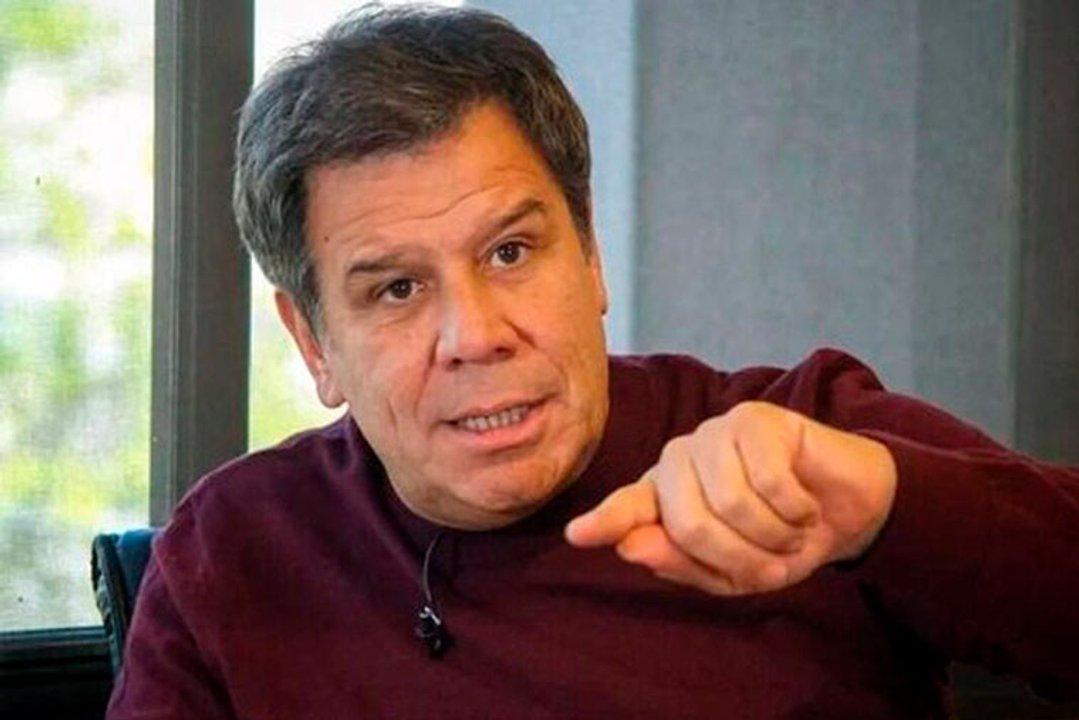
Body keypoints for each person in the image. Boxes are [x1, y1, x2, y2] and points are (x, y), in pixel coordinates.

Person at [107, 5, 1079, 718]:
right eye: (396, 289)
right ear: (314, 343)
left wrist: (883, 508)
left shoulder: (801, 440)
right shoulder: (235, 551)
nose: (475, 333)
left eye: (509, 253)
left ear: (590, 257)